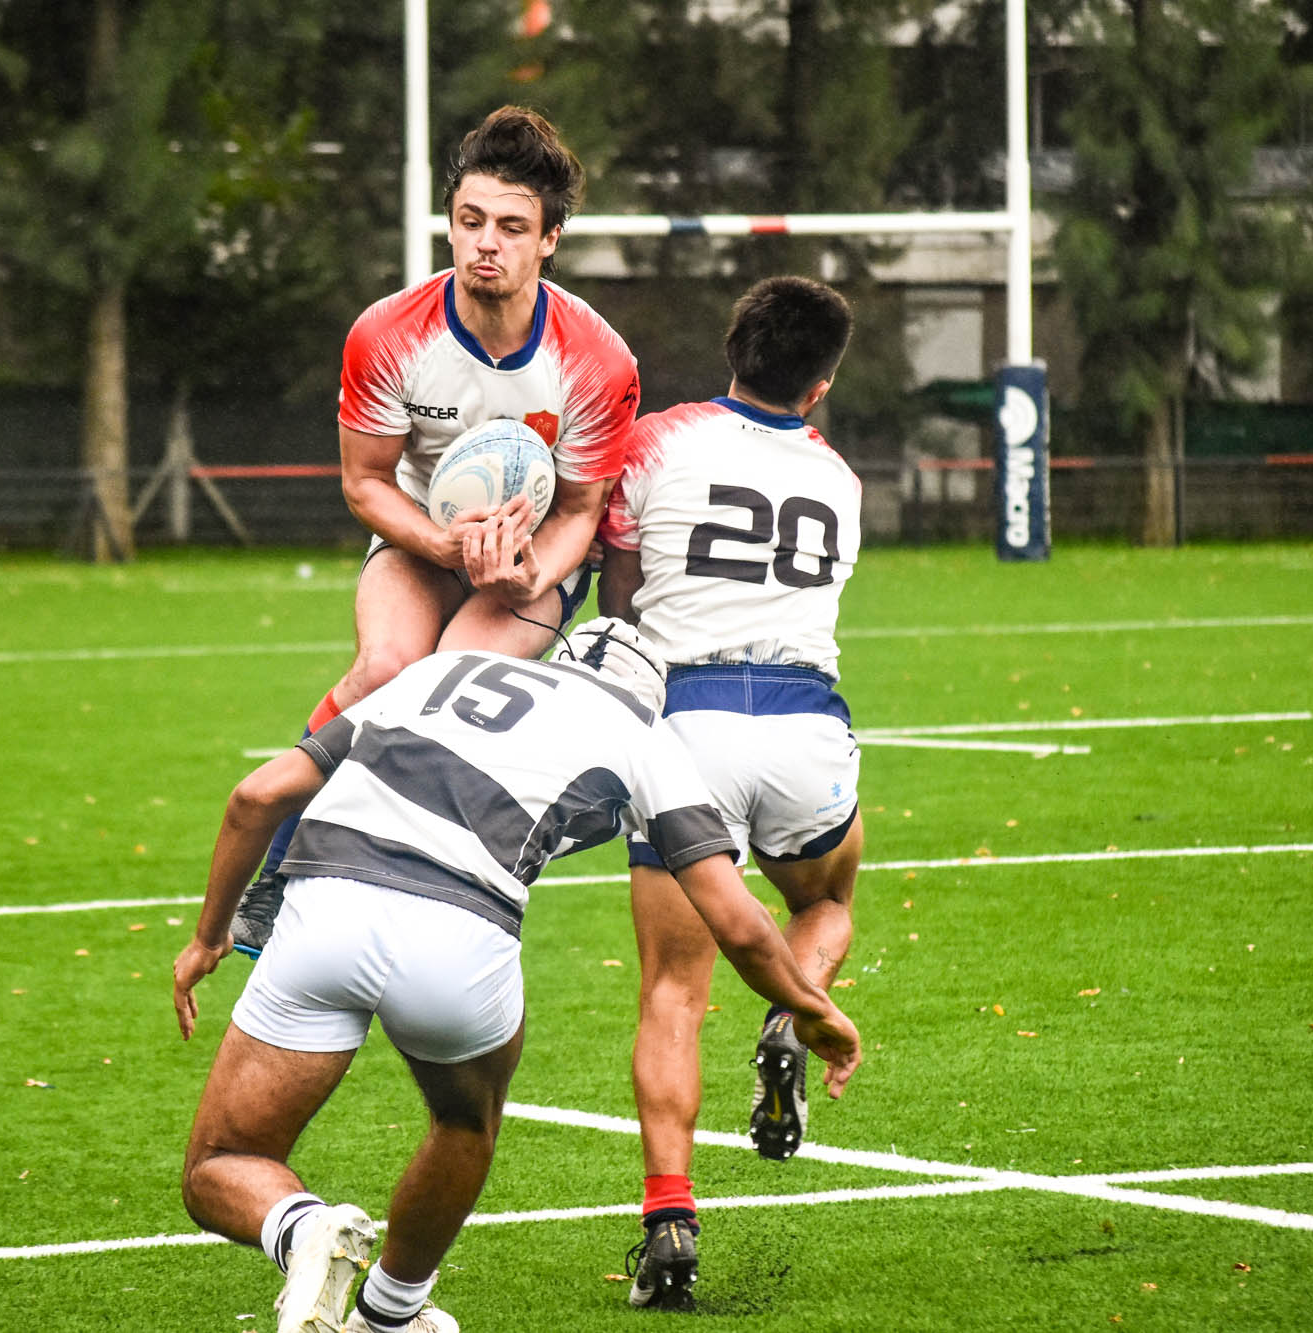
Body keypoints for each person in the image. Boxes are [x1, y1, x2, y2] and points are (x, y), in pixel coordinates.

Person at [172, 619, 859, 1333]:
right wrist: (807, 1007)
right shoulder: (639, 726)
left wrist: (207, 936)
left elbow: (255, 797)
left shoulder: (438, 670)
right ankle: (391, 1313)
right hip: (462, 939)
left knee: (223, 1161)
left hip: (326, 910)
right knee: (465, 1121)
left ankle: (305, 1230)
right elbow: (741, 922)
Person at [229, 105, 642, 958]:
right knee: (386, 670)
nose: (485, 242)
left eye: (512, 227)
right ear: (452, 222)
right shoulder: (389, 334)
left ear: (550, 240)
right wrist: (448, 547)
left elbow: (579, 512)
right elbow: (366, 484)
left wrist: (531, 576)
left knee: (447, 688)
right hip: (421, 538)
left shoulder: (598, 361)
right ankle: (281, 868)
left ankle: (415, 892)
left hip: (534, 560)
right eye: (470, 221)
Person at [594, 276, 866, 1311]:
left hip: (686, 724)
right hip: (802, 722)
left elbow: (620, 586)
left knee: (674, 987)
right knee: (827, 902)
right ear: (820, 385)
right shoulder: (835, 480)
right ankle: (792, 1018)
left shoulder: (659, 440)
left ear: (733, 346)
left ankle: (669, 1222)